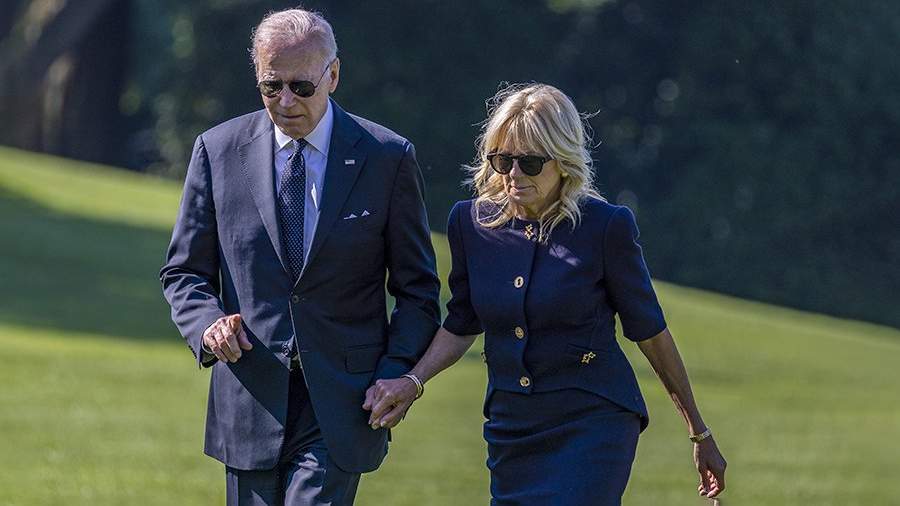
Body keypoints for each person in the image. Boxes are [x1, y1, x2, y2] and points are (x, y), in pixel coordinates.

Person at [364, 83, 727, 505]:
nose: (514, 175)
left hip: (593, 420)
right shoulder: (470, 224)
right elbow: (462, 322)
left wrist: (698, 431)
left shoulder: (605, 227)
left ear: (563, 161)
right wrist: (413, 381)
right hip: (512, 427)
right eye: (502, 160)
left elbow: (650, 333)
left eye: (531, 163)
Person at [160, 8, 440, 506]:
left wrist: (397, 372)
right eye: (271, 87)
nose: (286, 101)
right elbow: (184, 272)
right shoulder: (216, 151)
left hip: (343, 401)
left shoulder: (386, 158)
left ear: (333, 75)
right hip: (250, 397)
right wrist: (207, 325)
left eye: (301, 86)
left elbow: (418, 291)